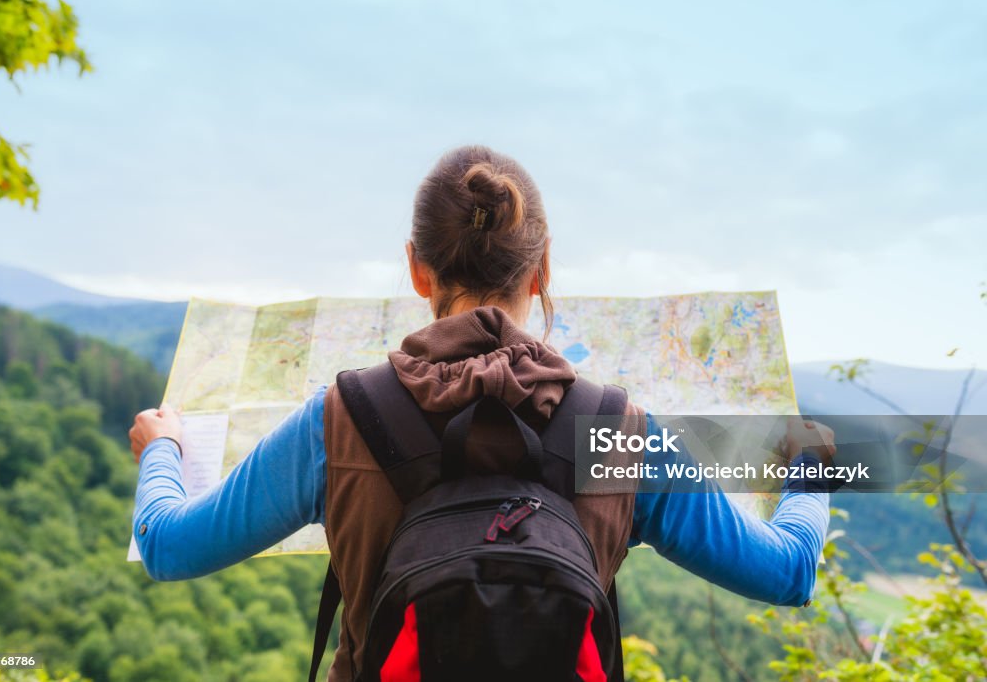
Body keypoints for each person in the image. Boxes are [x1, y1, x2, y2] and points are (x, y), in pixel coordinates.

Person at [129, 145, 834, 681]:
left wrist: (162, 446)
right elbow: (789, 571)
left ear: (416, 268)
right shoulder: (621, 433)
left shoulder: (339, 422)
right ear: (543, 270)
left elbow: (168, 544)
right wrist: (811, 469)